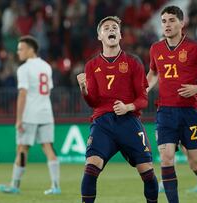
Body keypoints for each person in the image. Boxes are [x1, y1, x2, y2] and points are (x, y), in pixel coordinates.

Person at [77, 16, 158, 203]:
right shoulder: (92, 66)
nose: (111, 29)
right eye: (106, 28)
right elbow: (93, 101)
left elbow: (143, 99)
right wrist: (84, 90)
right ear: (100, 36)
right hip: (103, 123)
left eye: (114, 27)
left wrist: (128, 106)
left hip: (128, 122)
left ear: (120, 35)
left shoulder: (133, 62)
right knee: (91, 167)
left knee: (147, 171)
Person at [147, 5, 197, 203]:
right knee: (166, 157)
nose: (167, 25)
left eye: (171, 20)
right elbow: (154, 73)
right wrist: (144, 87)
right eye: (164, 21)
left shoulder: (194, 48)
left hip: (190, 112)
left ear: (182, 22)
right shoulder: (156, 48)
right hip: (165, 112)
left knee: (196, 164)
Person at [0, 36, 60, 195]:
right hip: (46, 112)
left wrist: (18, 119)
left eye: (21, 49)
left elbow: (23, 94)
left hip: (30, 115)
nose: (18, 52)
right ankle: (55, 186)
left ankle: (15, 185)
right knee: (48, 148)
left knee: (23, 149)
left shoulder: (24, 69)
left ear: (31, 49)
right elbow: (48, 89)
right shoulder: (46, 66)